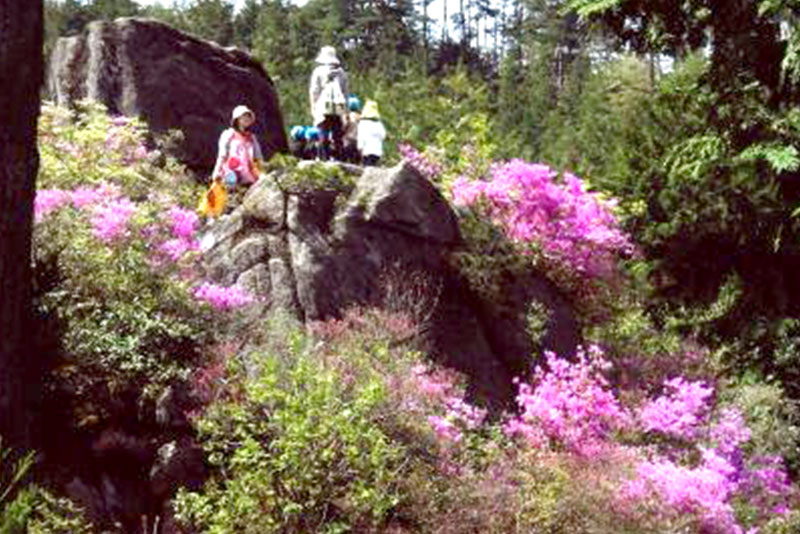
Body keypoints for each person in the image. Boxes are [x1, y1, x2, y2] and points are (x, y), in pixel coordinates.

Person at [309, 46, 348, 160]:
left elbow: (314, 91)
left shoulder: (318, 71)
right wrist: (346, 111)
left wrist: (314, 107)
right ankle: (340, 158)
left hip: (323, 106)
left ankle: (323, 158)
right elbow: (345, 92)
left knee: (323, 132)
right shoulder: (341, 72)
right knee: (337, 134)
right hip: (338, 106)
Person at [212, 105, 264, 187]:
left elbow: (258, 157)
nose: (247, 118)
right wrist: (216, 171)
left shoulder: (252, 138)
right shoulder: (228, 134)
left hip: (249, 175)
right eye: (244, 116)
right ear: (237, 119)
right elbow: (222, 155)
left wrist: (261, 173)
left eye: (248, 116)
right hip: (231, 173)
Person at [357, 100, 386, 167]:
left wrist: (360, 148)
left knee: (367, 169)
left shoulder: (363, 123)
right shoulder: (379, 124)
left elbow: (360, 138)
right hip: (377, 151)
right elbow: (383, 136)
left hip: (367, 151)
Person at [342, 95, 362, 164]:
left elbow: (344, 127)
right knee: (356, 163)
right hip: (358, 142)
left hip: (348, 141)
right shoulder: (361, 117)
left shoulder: (347, 116)